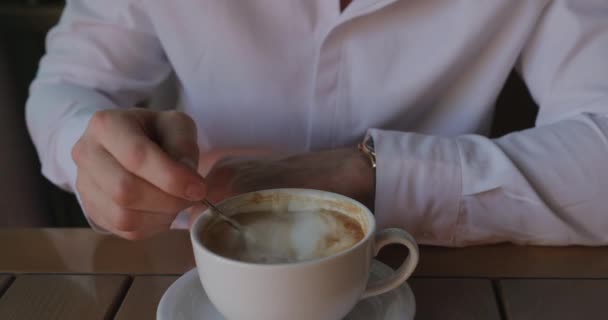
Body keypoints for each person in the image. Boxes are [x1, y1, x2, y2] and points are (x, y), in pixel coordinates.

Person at [26, 0, 608, 246]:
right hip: (190, 265)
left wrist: (366, 174)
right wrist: (91, 147)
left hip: (437, 268)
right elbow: (68, 86)